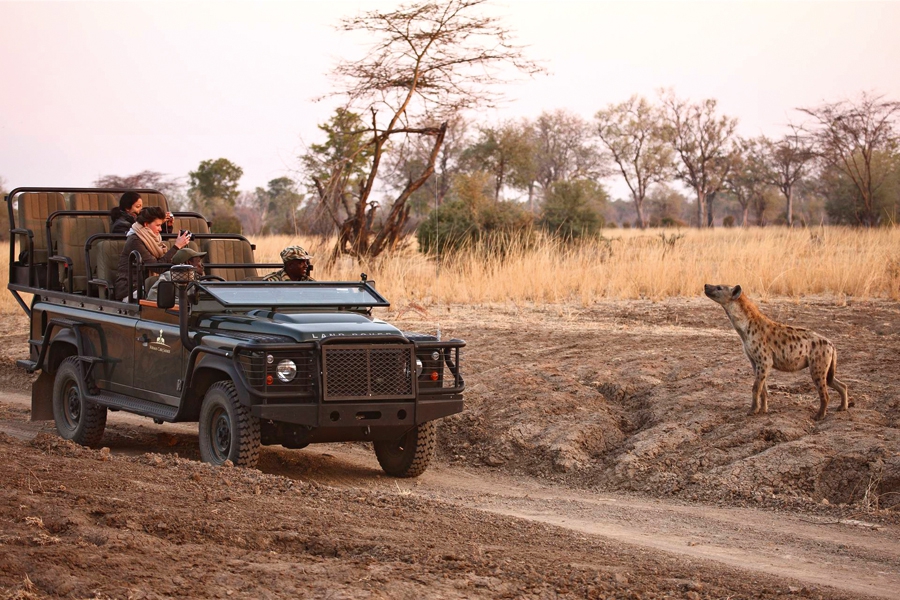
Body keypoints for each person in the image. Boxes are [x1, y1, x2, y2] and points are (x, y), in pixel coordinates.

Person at [114, 206, 191, 301]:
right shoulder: (135, 240)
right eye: (158, 225)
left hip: (149, 286)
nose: (160, 229)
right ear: (146, 224)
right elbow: (158, 267)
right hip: (132, 290)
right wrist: (176, 247)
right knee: (170, 300)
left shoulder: (153, 239)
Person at [110, 192, 175, 235]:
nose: (141, 209)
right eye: (137, 206)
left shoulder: (139, 219)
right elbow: (138, 238)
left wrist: (166, 226)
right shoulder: (120, 225)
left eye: (141, 206)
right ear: (127, 208)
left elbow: (160, 239)